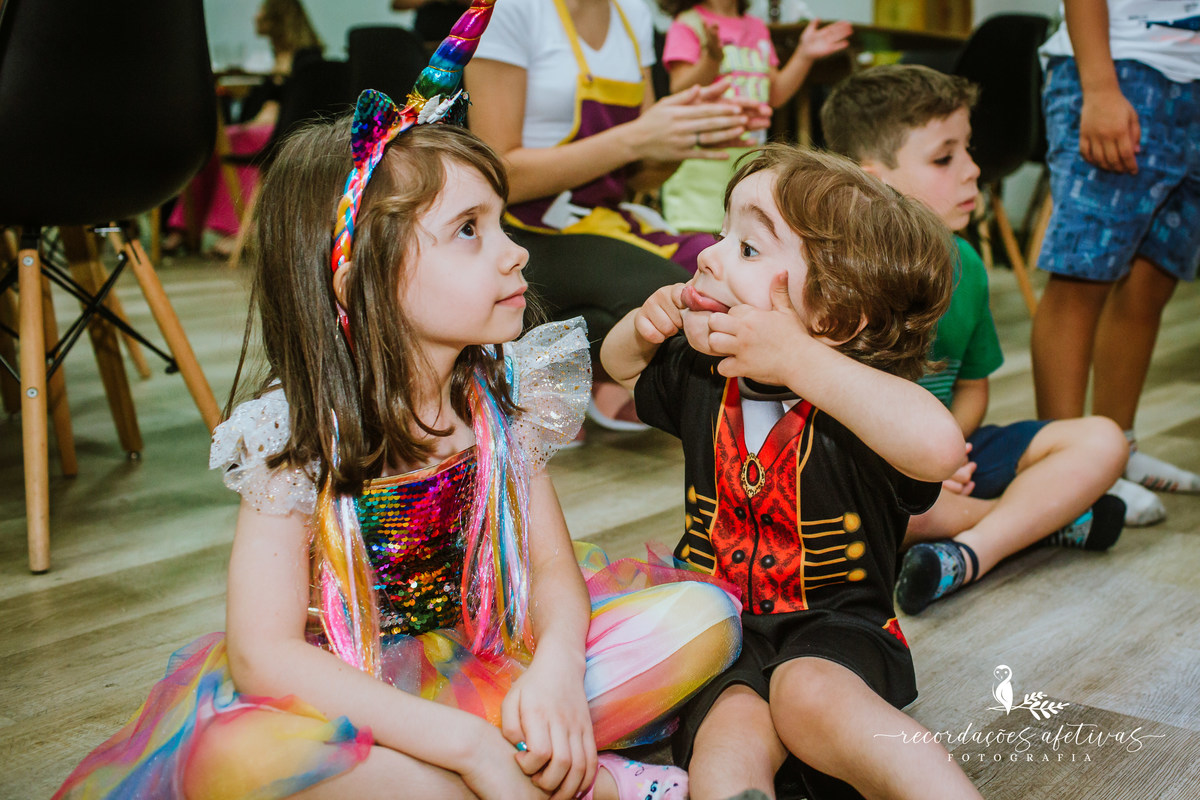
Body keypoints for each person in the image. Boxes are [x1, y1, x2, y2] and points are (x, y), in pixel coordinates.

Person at [53, 8, 741, 798]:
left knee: (705, 618)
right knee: (230, 761)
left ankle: (523, 765)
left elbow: (553, 572)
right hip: (362, 702)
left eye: (500, 222)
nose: (516, 250)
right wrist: (466, 745)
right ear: (364, 280)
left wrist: (553, 677)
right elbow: (265, 656)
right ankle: (538, 775)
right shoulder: (294, 432)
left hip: (497, 659)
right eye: (470, 231)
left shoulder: (503, 393)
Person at [600, 145, 981, 799]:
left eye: (748, 250)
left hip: (838, 627)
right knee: (729, 726)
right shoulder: (701, 374)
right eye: (724, 233)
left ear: (830, 320)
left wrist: (799, 362)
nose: (709, 257)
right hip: (722, 626)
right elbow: (622, 370)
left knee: (808, 695)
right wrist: (641, 327)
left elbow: (939, 446)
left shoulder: (857, 403)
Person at [820, 64, 1130, 615]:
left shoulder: (968, 265)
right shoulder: (835, 277)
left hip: (950, 458)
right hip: (866, 464)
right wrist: (914, 467)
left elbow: (973, 389)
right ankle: (1040, 519)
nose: (973, 170)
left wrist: (947, 453)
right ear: (872, 181)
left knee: (1102, 439)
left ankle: (969, 553)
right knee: (852, 501)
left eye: (968, 149)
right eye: (945, 157)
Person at [466, 0, 771, 430]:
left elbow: (641, 179)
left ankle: (583, 370)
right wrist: (637, 137)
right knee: (670, 296)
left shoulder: (633, 14)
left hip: (607, 220)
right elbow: (498, 177)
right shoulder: (513, 10)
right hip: (521, 229)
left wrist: (685, 134)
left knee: (721, 267)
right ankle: (537, 368)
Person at [1030, 0, 1200, 516]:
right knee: (1083, 277)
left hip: (1192, 87)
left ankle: (1116, 448)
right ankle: (1063, 470)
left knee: (1155, 279)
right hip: (1122, 69)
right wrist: (1100, 87)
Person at [657, 0, 851, 233]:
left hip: (748, 161)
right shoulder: (688, 23)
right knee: (697, 249)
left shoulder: (756, 26)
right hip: (701, 167)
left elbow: (775, 94)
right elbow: (681, 89)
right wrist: (711, 58)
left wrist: (804, 54)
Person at [165, 0, 323, 257]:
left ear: (278, 18)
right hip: (267, 124)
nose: (256, 16)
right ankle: (183, 228)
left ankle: (233, 228)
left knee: (236, 137)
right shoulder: (275, 57)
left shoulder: (307, 59)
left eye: (262, 11)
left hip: (287, 129)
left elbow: (287, 110)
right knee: (212, 143)